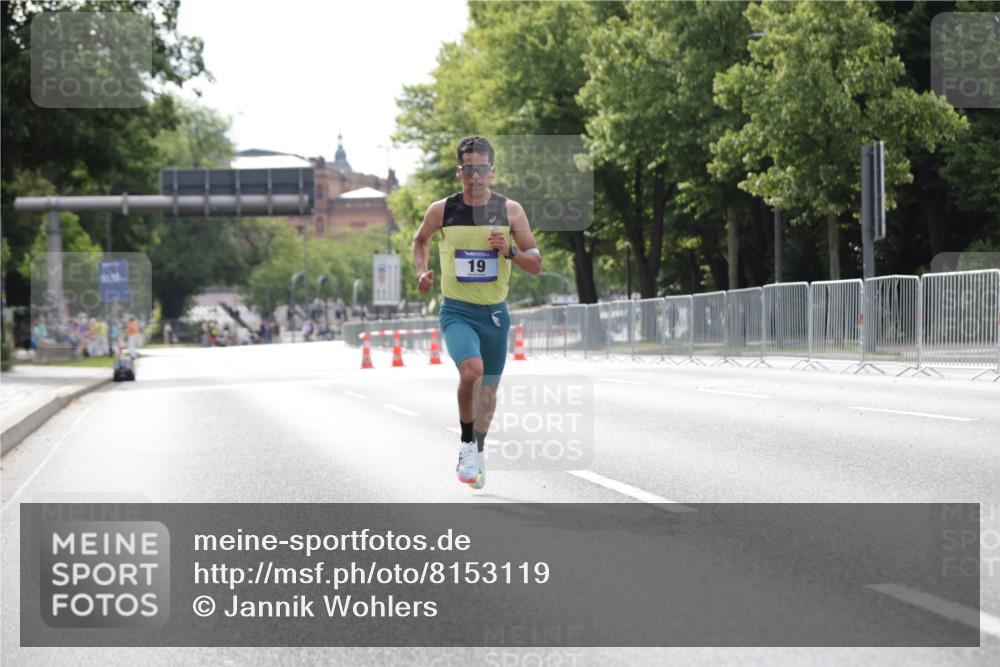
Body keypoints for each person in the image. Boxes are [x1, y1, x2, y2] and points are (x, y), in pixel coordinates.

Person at [412, 136, 543, 489]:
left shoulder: (511, 211)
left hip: (495, 315)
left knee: (487, 391)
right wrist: (421, 271)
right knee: (472, 371)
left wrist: (510, 251)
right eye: (468, 169)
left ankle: (478, 450)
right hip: (457, 311)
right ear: (460, 172)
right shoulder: (441, 210)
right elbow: (419, 240)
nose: (475, 177)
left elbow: (536, 264)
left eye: (481, 169)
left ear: (492, 171)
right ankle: (467, 444)